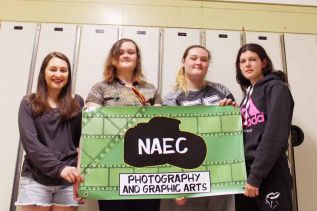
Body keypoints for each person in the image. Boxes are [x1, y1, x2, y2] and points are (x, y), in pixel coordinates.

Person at [84, 38, 161, 211]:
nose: (125, 55)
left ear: (137, 58)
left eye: (131, 52)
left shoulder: (151, 89)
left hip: (146, 172)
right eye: (121, 52)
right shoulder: (100, 88)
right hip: (111, 170)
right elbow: (92, 128)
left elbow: (160, 126)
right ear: (113, 58)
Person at [163, 45, 235, 211]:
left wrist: (231, 111)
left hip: (219, 173)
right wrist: (174, 185)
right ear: (183, 62)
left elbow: (235, 131)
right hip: (186, 178)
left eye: (204, 59)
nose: (199, 62)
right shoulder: (172, 98)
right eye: (193, 58)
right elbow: (168, 143)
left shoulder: (222, 91)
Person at [15, 52, 84, 211]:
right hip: (36, 180)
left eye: (63, 70)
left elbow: (83, 141)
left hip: (68, 182)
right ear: (43, 73)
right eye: (53, 69)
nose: (58, 74)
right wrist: (60, 168)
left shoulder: (77, 102)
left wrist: (79, 175)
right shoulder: (28, 103)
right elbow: (32, 145)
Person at [234, 43, 294, 211]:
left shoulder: (276, 88)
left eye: (253, 59)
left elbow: (274, 135)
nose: (247, 64)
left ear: (264, 63)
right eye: (243, 61)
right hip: (247, 173)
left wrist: (255, 176)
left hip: (269, 172)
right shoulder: (248, 95)